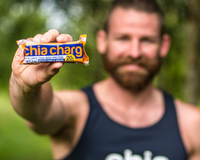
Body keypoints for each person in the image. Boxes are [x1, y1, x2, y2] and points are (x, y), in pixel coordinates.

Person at [9, 0, 200, 159]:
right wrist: (24, 86)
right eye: (123, 38)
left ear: (164, 45)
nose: (134, 53)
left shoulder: (193, 124)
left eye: (147, 40)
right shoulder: (77, 110)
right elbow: (38, 113)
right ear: (102, 41)